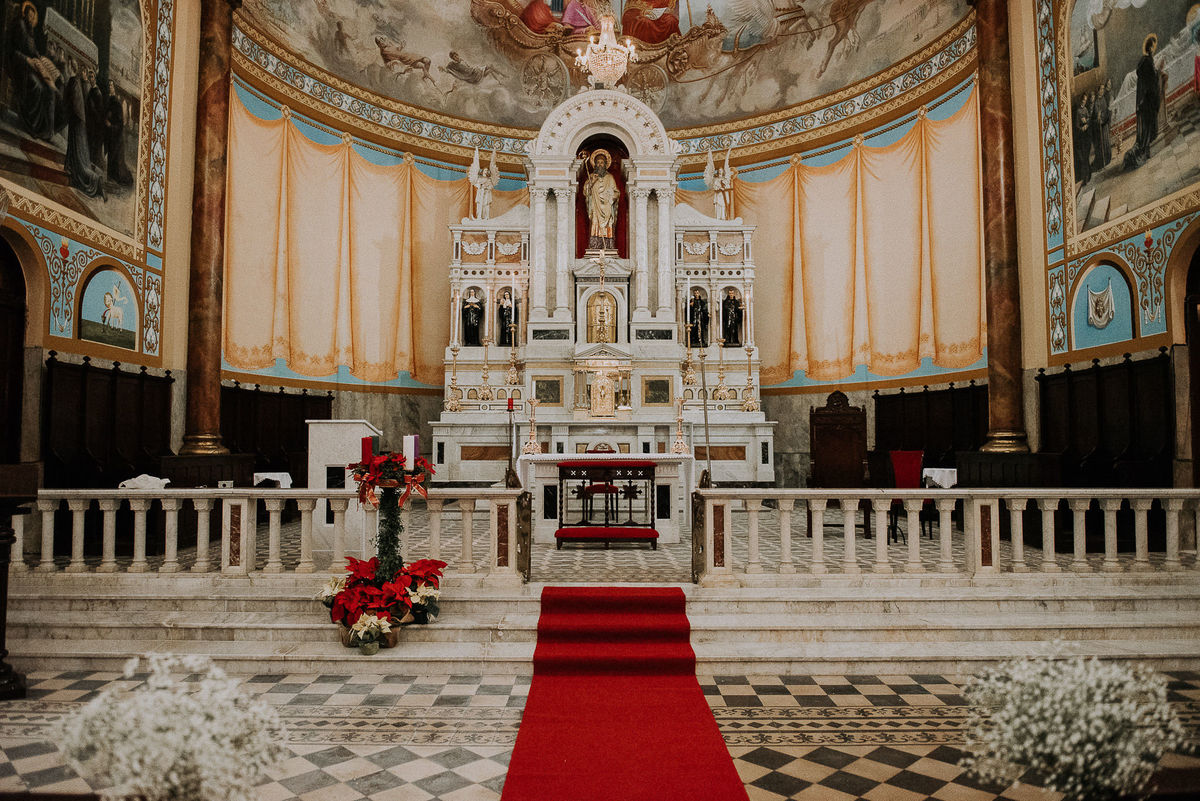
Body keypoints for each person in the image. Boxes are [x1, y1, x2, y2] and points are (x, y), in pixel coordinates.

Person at [9, 1, 61, 141]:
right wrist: (28, 60)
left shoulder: (30, 31)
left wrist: (40, 58)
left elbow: (32, 50)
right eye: (29, 16)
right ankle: (32, 125)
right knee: (38, 87)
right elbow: (13, 51)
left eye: (33, 17)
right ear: (25, 14)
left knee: (50, 90)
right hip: (21, 66)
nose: (31, 19)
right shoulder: (19, 26)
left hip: (32, 66)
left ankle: (47, 130)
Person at [64, 58, 105, 199]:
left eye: (87, 72)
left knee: (79, 153)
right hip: (80, 122)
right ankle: (72, 167)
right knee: (77, 150)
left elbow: (81, 105)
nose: (85, 73)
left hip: (79, 123)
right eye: (83, 71)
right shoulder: (82, 84)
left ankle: (94, 179)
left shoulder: (81, 84)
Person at [1133, 33, 1162, 165]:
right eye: (1153, 46)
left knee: (1147, 127)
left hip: (1145, 100)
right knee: (1147, 127)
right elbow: (1151, 80)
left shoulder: (1145, 61)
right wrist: (1158, 72)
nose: (1154, 49)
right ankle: (1144, 152)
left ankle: (1147, 151)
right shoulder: (1147, 61)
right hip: (1147, 101)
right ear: (1149, 48)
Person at [583, 149, 619, 250]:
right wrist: (592, 182)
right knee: (595, 222)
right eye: (598, 162)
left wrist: (611, 198)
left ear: (605, 164)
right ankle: (595, 244)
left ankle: (608, 245)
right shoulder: (591, 177)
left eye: (602, 162)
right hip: (595, 206)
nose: (600, 165)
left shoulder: (610, 178)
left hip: (607, 207)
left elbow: (616, 192)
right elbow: (585, 192)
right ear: (594, 164)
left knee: (608, 225)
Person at [105, 80, 132, 185]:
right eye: (108, 85)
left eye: (111, 85)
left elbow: (120, 125)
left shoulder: (116, 103)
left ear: (114, 88)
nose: (109, 87)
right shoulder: (109, 100)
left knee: (118, 165)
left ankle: (119, 179)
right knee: (111, 159)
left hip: (117, 137)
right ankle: (110, 178)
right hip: (111, 136)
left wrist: (110, 126)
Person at [1073, 92, 1091, 185]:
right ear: (1081, 100)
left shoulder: (1086, 109)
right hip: (1081, 137)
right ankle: (1084, 179)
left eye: (1085, 100)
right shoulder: (1078, 111)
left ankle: (1088, 177)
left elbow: (1089, 119)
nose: (1084, 102)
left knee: (1086, 157)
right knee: (1083, 158)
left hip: (1086, 135)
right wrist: (1081, 128)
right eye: (1083, 100)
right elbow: (1076, 125)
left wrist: (1086, 124)